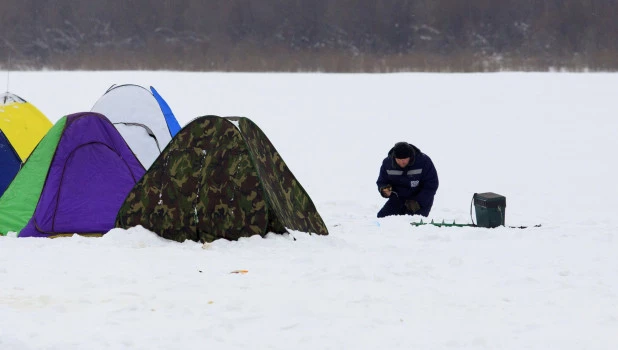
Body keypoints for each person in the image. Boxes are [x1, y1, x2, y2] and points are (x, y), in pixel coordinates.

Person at [376, 141, 439, 218]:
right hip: (398, 199)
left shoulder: (424, 161)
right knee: (382, 218)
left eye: (405, 159)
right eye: (399, 159)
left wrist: (418, 201)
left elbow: (431, 184)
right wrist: (384, 189)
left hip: (419, 200)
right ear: (394, 157)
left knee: (411, 223)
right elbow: (382, 181)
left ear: (411, 156)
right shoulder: (387, 163)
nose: (402, 162)